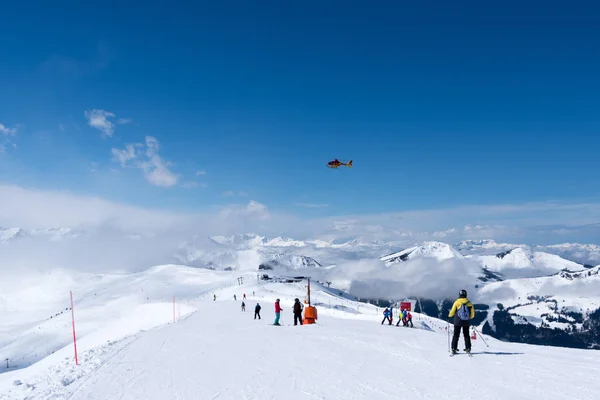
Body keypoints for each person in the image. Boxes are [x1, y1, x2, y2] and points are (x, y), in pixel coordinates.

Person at [448, 289, 475, 354]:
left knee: (456, 335)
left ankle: (454, 348)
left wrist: (449, 316)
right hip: (466, 322)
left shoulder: (457, 302)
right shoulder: (469, 303)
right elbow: (472, 315)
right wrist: (468, 318)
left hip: (457, 321)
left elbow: (452, 312)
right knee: (466, 335)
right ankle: (468, 348)